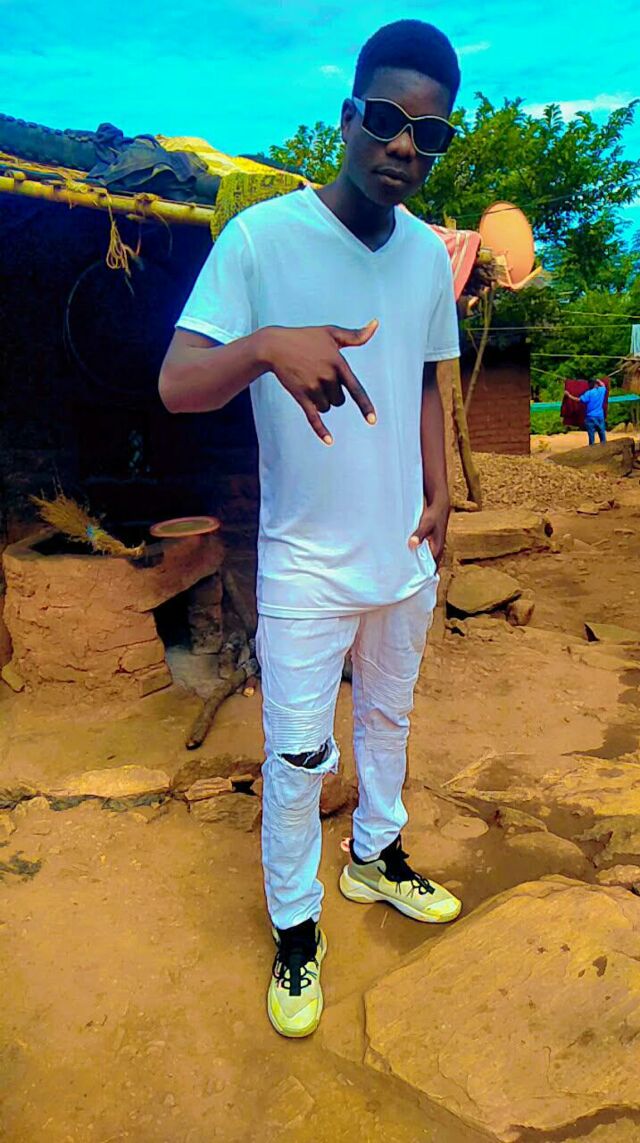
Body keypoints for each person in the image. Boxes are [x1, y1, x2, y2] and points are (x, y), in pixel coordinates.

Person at [159, 18, 463, 1040]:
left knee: (388, 725)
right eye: (385, 119)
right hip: (305, 565)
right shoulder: (261, 242)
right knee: (297, 758)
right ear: (348, 117)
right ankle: (296, 926)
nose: (403, 145)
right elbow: (177, 385)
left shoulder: (427, 259)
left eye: (429, 133)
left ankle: (375, 857)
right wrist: (263, 347)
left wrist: (441, 492)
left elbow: (425, 380)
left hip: (402, 555)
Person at [566, 378, 607, 445]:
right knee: (602, 434)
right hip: (600, 416)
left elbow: (579, 400)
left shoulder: (589, 393)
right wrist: (598, 380)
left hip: (590, 417)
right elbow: (603, 385)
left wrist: (569, 395)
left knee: (591, 437)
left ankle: (592, 447)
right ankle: (604, 446)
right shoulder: (601, 390)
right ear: (595, 384)